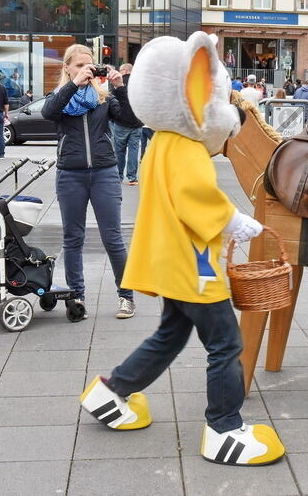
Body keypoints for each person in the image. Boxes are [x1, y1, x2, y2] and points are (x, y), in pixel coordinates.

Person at [80, 31, 285, 466]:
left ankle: (110, 392)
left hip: (172, 261)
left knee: (170, 334)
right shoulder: (187, 147)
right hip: (195, 266)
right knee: (227, 344)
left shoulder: (160, 141)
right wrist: (235, 222)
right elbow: (197, 199)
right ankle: (225, 429)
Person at [42, 45, 136, 320]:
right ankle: (77, 297)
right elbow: (49, 112)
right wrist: (74, 84)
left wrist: (120, 87)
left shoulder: (103, 98)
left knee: (113, 239)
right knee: (73, 239)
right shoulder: (59, 96)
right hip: (71, 174)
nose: (87, 70)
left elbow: (132, 120)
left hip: (105, 172)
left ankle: (126, 296)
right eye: (80, 65)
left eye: (90, 65)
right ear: (68, 68)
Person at [110, 63, 144, 186]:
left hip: (121, 122)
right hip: (137, 123)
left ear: (124, 71)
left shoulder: (117, 82)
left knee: (119, 151)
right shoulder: (139, 82)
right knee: (134, 151)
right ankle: (132, 177)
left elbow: (113, 101)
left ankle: (119, 176)